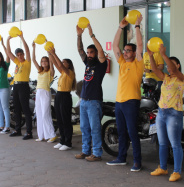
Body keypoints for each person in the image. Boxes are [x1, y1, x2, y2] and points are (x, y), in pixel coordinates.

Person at [106, 14, 144, 171]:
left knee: (132, 132)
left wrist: (136, 26)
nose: (125, 52)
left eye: (129, 51)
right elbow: (115, 46)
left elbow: (141, 45)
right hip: (119, 102)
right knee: (121, 132)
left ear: (134, 53)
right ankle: (121, 157)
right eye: (125, 50)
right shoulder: (122, 62)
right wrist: (121, 27)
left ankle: (137, 162)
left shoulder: (138, 64)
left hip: (131, 102)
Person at [148, 44, 184, 182]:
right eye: (168, 66)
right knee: (162, 143)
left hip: (174, 114)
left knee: (175, 143)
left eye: (172, 65)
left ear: (178, 66)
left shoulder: (181, 78)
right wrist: (151, 56)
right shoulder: (166, 78)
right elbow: (153, 69)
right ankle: (163, 168)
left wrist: (164, 55)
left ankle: (177, 171)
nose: (169, 68)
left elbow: (175, 70)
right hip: (161, 113)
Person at [74, 23, 107, 162]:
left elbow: (100, 49)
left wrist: (91, 34)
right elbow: (79, 49)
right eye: (88, 53)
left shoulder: (101, 65)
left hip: (94, 101)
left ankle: (97, 153)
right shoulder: (87, 63)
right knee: (84, 127)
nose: (88, 54)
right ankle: (85, 151)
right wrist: (79, 35)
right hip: (84, 100)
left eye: (91, 52)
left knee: (94, 128)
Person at [47, 47, 76, 151]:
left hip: (65, 97)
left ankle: (68, 142)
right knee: (59, 119)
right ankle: (62, 140)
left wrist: (54, 54)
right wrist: (50, 54)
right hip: (59, 95)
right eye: (62, 62)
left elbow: (59, 64)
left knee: (65, 119)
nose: (62, 64)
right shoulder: (63, 73)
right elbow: (56, 64)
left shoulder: (69, 73)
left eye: (64, 62)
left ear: (68, 65)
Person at [5, 33, 33, 140]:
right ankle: (17, 130)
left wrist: (22, 37)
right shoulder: (17, 62)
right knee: (16, 109)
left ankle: (29, 132)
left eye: (21, 54)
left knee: (25, 109)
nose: (20, 56)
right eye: (18, 55)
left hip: (23, 86)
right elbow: (8, 52)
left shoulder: (27, 62)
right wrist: (8, 39)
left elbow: (28, 50)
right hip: (15, 87)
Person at [32, 41, 57, 143]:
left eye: (45, 61)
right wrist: (33, 47)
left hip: (46, 93)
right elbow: (33, 59)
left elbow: (51, 62)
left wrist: (49, 53)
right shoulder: (40, 70)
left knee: (46, 114)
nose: (43, 63)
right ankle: (41, 135)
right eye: (42, 61)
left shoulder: (51, 72)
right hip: (38, 92)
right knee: (39, 114)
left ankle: (52, 134)